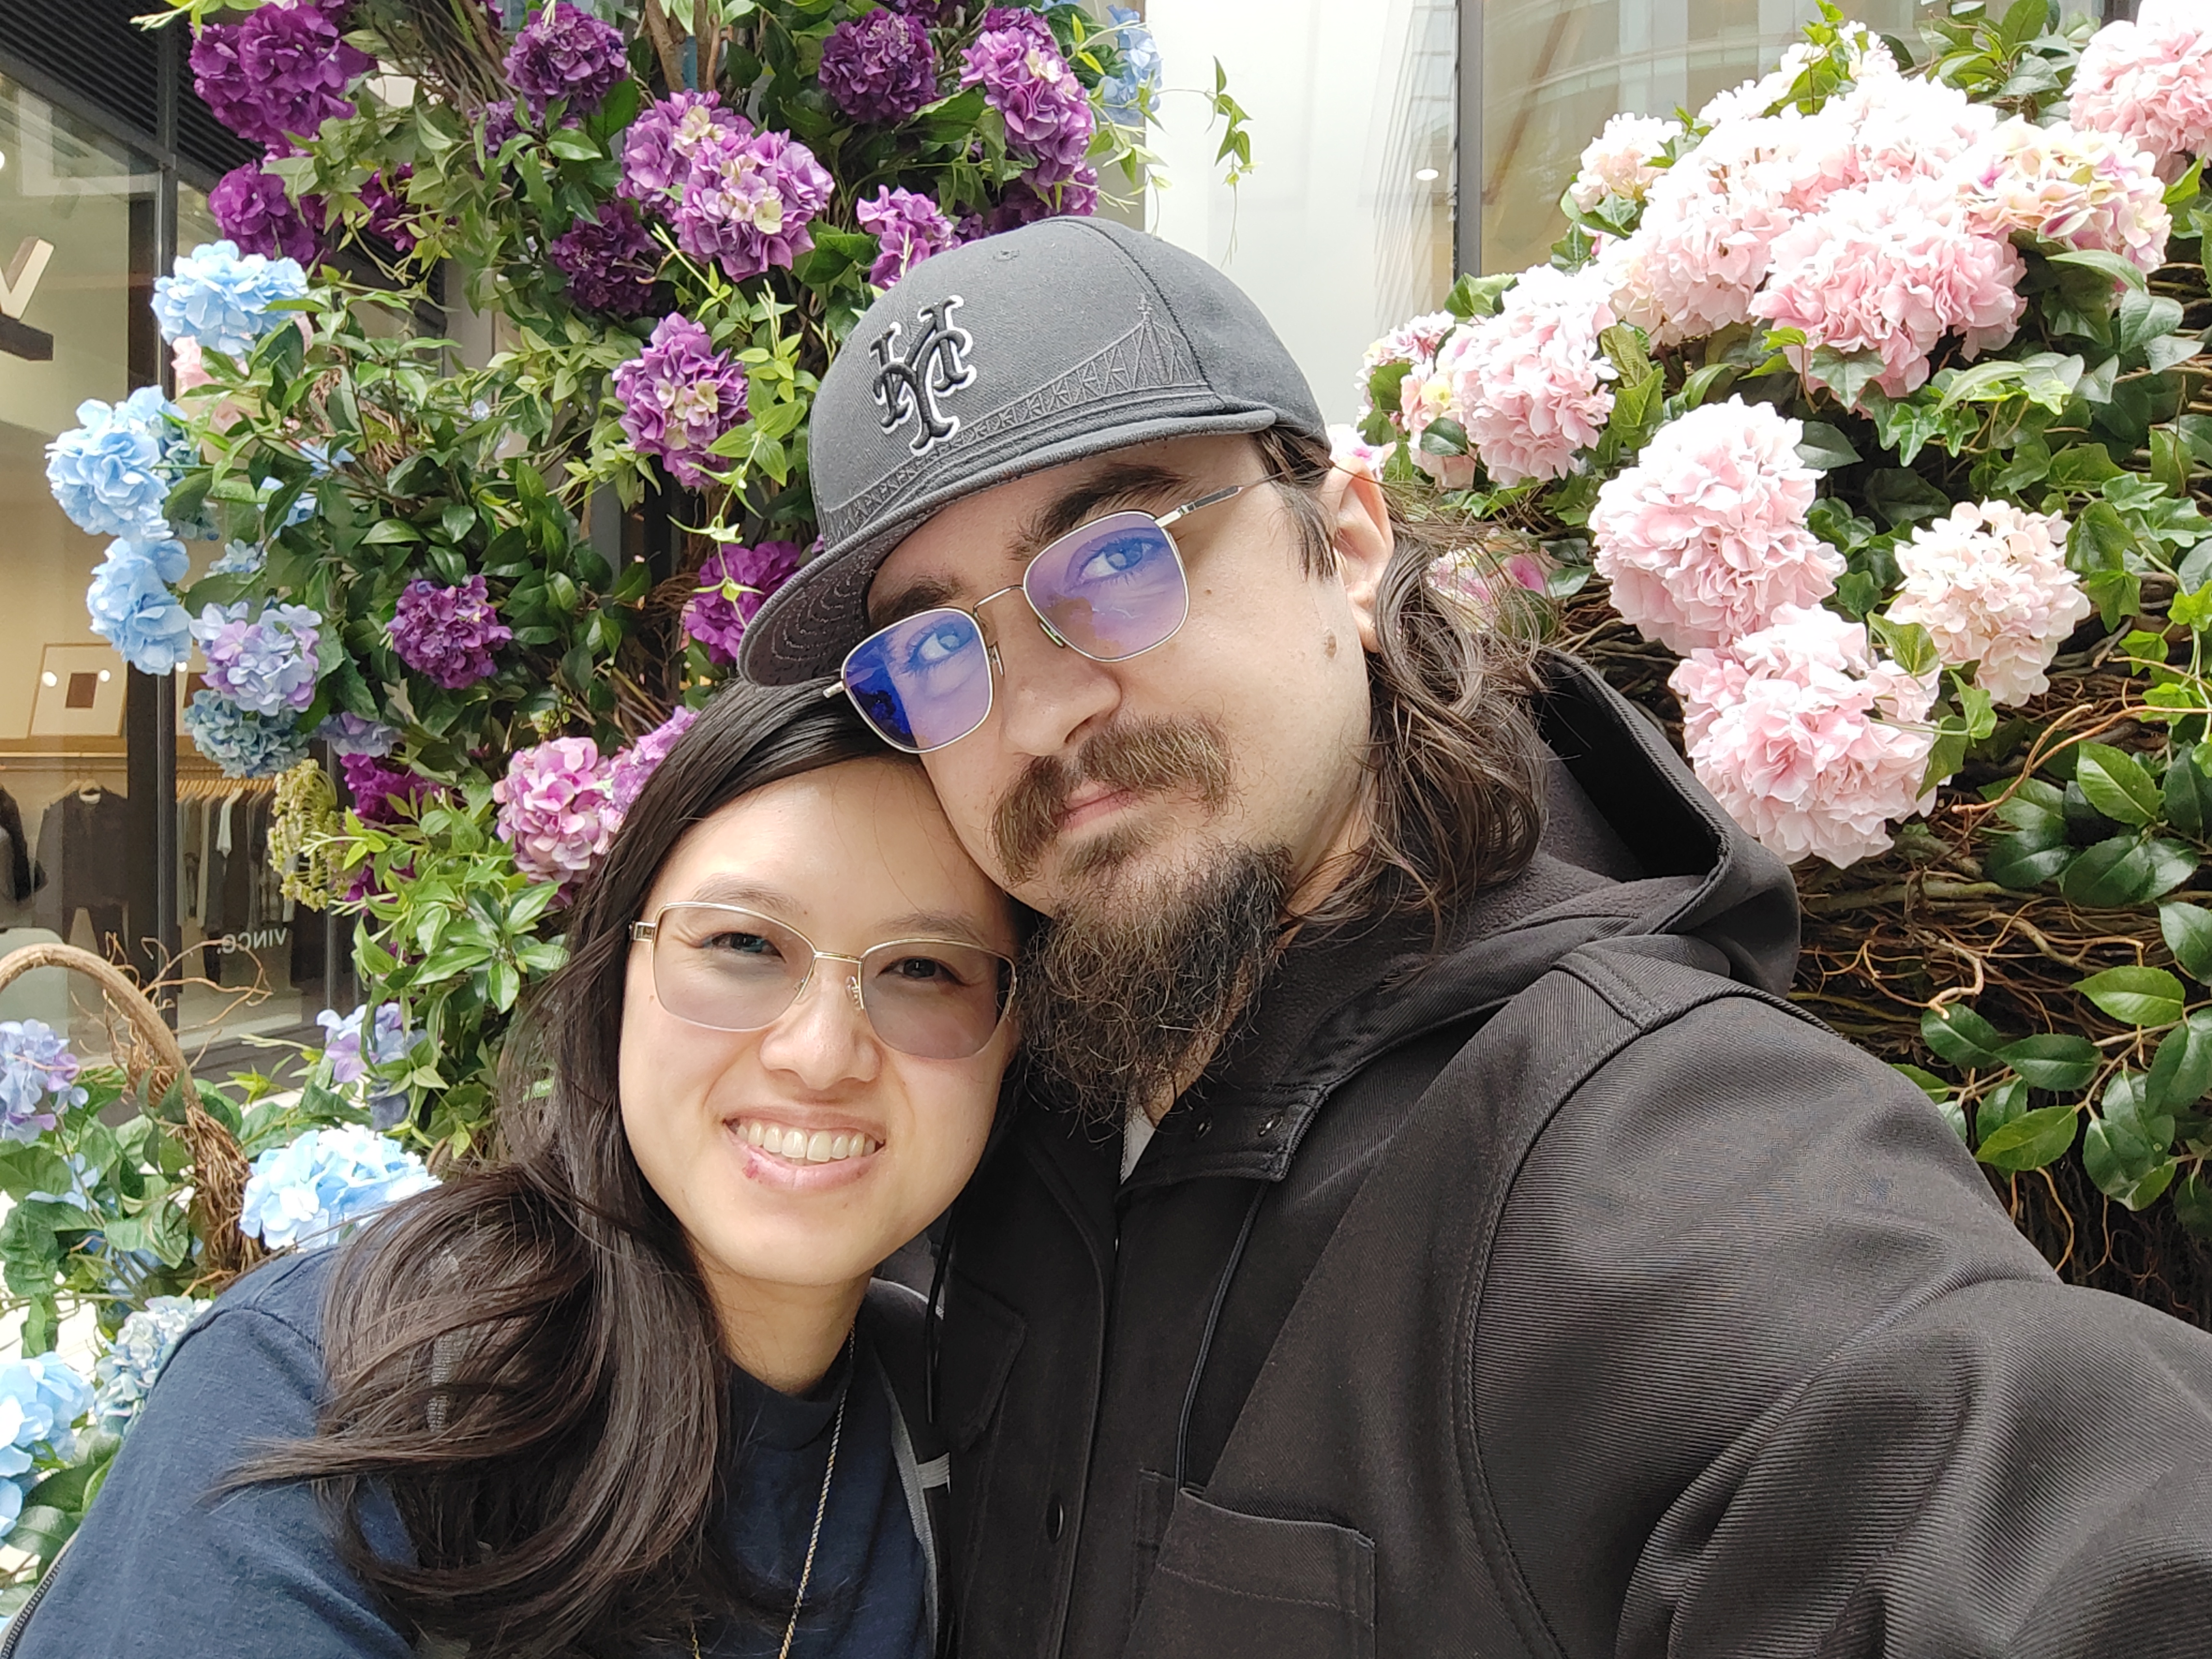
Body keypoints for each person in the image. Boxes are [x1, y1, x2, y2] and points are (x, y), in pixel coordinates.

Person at [737, 216, 2212, 1658]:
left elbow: (1994, 1494)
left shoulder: (1633, 1145)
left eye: (1121, 565)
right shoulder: (999, 1079)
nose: (1038, 714)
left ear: (1353, 545)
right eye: (938, 651)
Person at [10, 681, 1021, 1658]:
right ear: (616, 977)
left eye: (924, 968)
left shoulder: (966, 1429)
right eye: (745, 943)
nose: (821, 1054)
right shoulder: (334, 1390)